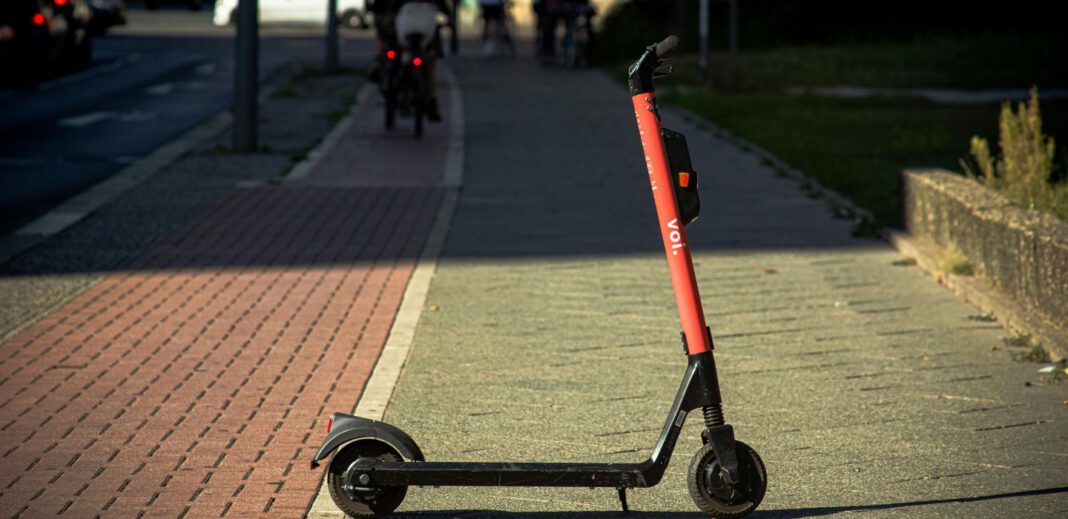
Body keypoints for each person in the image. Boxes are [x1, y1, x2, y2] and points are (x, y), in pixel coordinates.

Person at [372, 0, 450, 120]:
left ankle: (391, 81)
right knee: (430, 64)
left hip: (404, 30)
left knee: (395, 52)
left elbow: (392, 7)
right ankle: (432, 101)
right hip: (427, 33)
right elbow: (444, 9)